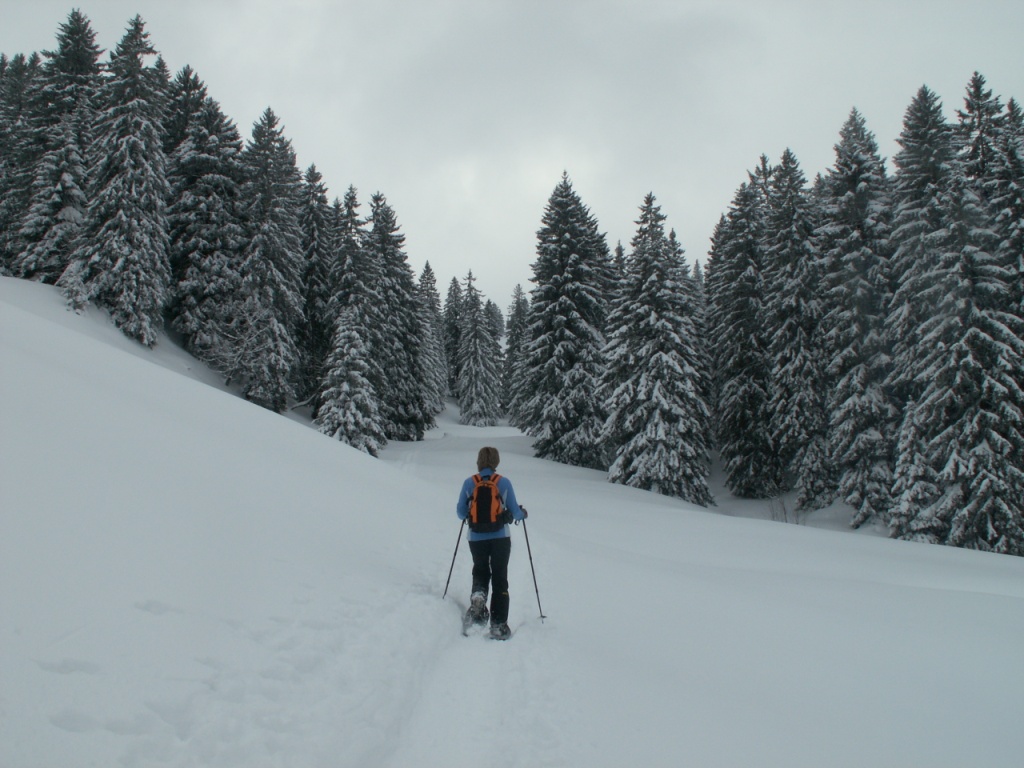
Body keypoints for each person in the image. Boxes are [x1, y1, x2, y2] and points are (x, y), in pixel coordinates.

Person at [456, 446, 526, 640]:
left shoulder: (469, 483)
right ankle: (498, 625)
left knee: (480, 569)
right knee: (500, 577)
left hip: (476, 537)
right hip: (500, 537)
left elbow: (461, 512)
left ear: (479, 461)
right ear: (496, 461)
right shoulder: (503, 483)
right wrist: (522, 514)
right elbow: (514, 510)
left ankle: (478, 599)